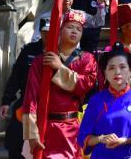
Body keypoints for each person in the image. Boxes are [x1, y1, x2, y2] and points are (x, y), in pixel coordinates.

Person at [22, 10, 98, 158]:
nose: (75, 31)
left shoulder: (87, 59)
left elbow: (84, 86)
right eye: (70, 27)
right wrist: (32, 134)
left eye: (79, 29)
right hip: (45, 127)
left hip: (72, 127)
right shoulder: (40, 61)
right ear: (60, 29)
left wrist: (59, 67)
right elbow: (30, 99)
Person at [77, 42, 131, 158]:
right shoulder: (96, 100)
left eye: (122, 67)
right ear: (105, 73)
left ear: (130, 70)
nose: (117, 72)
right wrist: (101, 138)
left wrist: (125, 141)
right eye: (111, 68)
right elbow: (83, 137)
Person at [0, 15, 49, 159]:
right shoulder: (29, 50)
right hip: (27, 102)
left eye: (51, 31)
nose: (48, 34)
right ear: (40, 32)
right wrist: (6, 101)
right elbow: (16, 76)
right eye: (45, 31)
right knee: (15, 141)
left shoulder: (62, 52)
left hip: (52, 105)